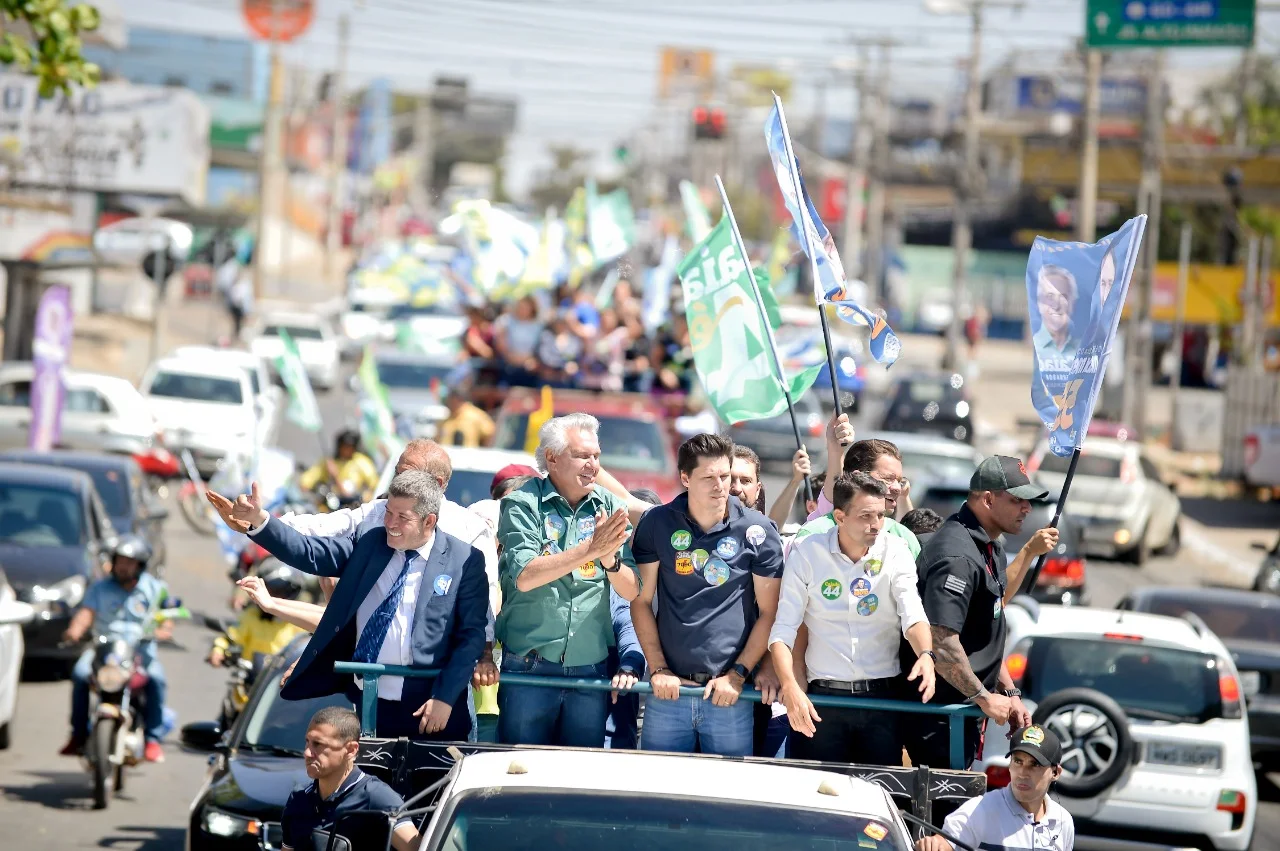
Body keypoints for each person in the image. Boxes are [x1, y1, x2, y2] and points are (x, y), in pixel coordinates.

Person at [209, 439, 501, 689]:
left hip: (434, 687)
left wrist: (484, 656)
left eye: (405, 473)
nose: (392, 524)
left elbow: (482, 601)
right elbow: (318, 534)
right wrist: (259, 522)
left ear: (436, 488)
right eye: (396, 471)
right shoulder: (377, 514)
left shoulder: (469, 531)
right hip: (368, 686)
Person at [230, 471, 488, 740]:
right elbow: (309, 552)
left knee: (434, 781)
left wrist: (445, 698)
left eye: (403, 517)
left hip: (433, 707)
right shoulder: (370, 542)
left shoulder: (464, 560)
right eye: (388, 513)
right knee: (371, 781)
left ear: (429, 521)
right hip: (370, 703)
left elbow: (471, 637)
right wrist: (259, 521)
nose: (391, 523)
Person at [630, 434, 784, 757]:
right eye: (709, 477)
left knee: (729, 800)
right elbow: (640, 601)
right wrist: (658, 670)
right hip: (669, 692)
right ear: (685, 478)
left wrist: (738, 675)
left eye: (725, 476)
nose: (721, 486)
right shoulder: (657, 524)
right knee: (658, 797)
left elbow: (770, 613)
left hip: (729, 694)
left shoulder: (758, 531)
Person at [770, 472, 935, 766]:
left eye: (881, 515)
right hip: (823, 701)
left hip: (882, 701)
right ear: (840, 516)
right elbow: (783, 630)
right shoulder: (808, 552)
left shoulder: (896, 551)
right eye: (865, 516)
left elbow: (912, 612)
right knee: (819, 800)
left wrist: (925, 653)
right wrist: (791, 687)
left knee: (877, 799)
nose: (876, 524)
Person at [495, 413, 638, 746]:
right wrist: (592, 548)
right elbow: (526, 576)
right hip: (530, 667)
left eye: (596, 457)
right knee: (519, 770)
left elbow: (632, 590)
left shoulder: (612, 506)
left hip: (589, 668)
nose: (592, 465)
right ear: (552, 458)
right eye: (582, 456)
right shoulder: (521, 502)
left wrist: (609, 559)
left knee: (578, 776)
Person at [906, 457, 1058, 769]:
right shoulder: (958, 554)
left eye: (1028, 502)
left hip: (960, 714)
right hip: (938, 719)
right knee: (938, 815)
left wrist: (1010, 691)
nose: (1027, 509)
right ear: (987, 499)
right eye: (1017, 500)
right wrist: (984, 698)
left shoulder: (989, 546)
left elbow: (983, 631)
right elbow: (940, 642)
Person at [59, 535, 173, 762]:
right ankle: (78, 735)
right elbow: (85, 614)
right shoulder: (99, 588)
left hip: (141, 653)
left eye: (129, 562)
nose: (123, 567)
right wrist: (75, 630)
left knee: (157, 680)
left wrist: (164, 629)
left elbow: (166, 616)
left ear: (140, 565)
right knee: (81, 675)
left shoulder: (156, 588)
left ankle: (152, 739)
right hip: (104, 650)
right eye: (119, 561)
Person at [281, 707, 419, 851]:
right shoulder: (299, 798)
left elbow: (418, 848)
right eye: (307, 742)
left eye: (318, 744)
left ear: (351, 749)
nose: (307, 753)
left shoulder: (377, 797)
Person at [916, 725, 1074, 851]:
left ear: (1055, 772)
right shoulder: (980, 809)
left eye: (1035, 764)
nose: (1022, 773)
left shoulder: (1063, 820)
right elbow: (944, 843)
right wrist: (933, 845)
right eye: (1018, 761)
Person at [795, 426, 920, 559]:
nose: (897, 488)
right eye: (888, 479)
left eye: (899, 480)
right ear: (858, 477)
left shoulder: (904, 539)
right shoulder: (815, 535)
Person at [208, 562, 308, 666]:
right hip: (249, 677)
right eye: (270, 590)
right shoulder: (251, 615)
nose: (272, 596)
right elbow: (232, 637)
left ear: (292, 593)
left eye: (279, 592)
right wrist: (218, 651)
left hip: (280, 679)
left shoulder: (298, 622)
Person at [1033, 265, 1080, 372]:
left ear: (1072, 303)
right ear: (1039, 303)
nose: (1057, 305)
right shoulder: (1031, 350)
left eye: (1063, 297)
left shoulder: (1085, 351)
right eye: (1050, 297)